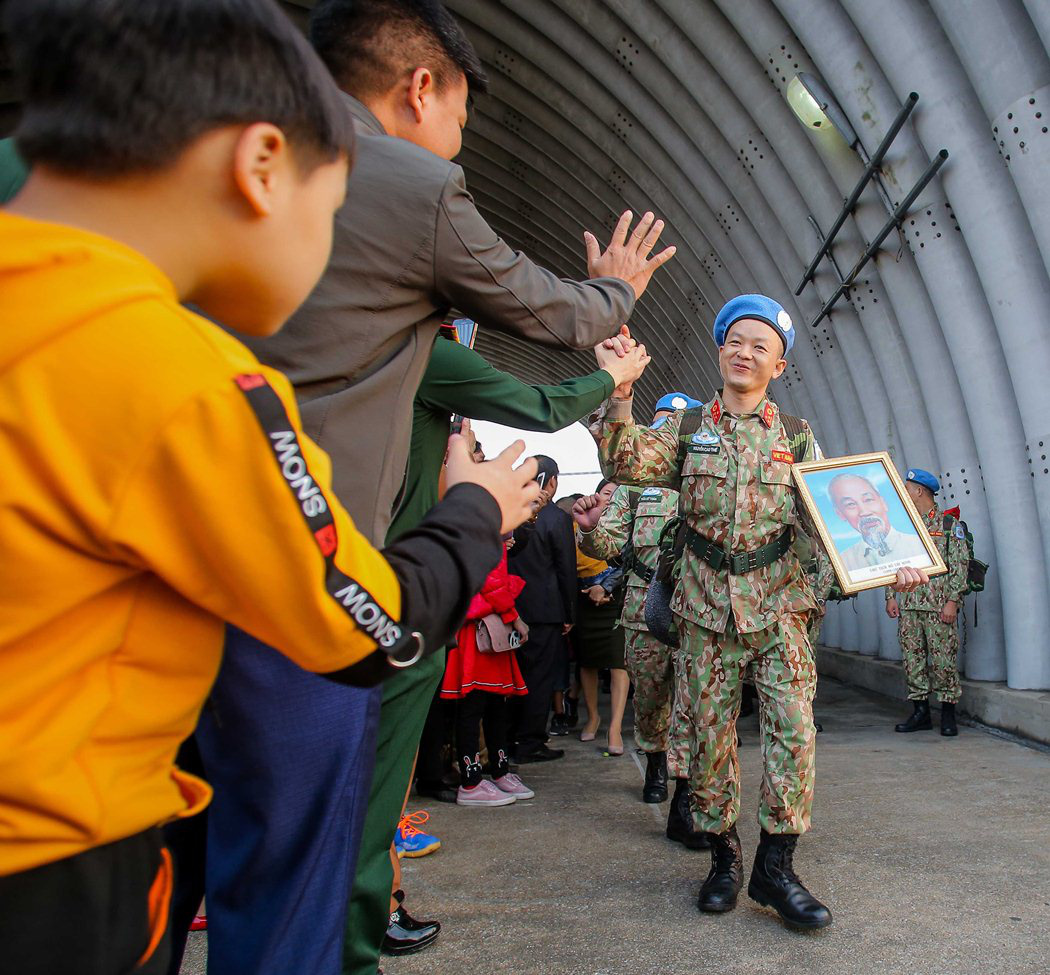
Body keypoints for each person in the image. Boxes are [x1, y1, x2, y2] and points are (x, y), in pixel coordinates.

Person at [0, 2, 540, 973]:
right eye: (328, 213)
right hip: (52, 878)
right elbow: (361, 623)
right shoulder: (191, 380)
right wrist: (476, 512)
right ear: (259, 166)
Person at [181, 0, 675, 969]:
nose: (456, 147)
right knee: (295, 894)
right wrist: (615, 294)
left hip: (162, 572)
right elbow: (543, 311)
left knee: (150, 870)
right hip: (313, 586)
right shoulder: (404, 182)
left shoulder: (206, 157)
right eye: (459, 120)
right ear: (421, 88)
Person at [592, 294, 928, 931]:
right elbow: (624, 460)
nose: (745, 353)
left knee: (794, 734)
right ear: (720, 350)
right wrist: (620, 394)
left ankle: (776, 867)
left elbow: (828, 520)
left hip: (778, 612)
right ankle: (723, 858)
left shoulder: (796, 437)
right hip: (704, 617)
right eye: (735, 342)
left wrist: (891, 561)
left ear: (779, 364)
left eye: (760, 347)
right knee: (712, 744)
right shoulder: (688, 432)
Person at [345, 332, 649, 975]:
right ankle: (361, 927)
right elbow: (537, 403)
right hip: (396, 605)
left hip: (385, 598)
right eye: (471, 448)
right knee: (369, 792)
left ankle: (374, 903)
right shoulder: (420, 350)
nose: (469, 455)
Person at [575, 393, 711, 848]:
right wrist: (592, 528)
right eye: (660, 422)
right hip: (643, 608)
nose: (666, 430)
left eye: (675, 421)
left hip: (698, 609)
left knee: (697, 703)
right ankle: (654, 760)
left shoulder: (704, 478)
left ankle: (686, 798)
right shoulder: (632, 489)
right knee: (652, 696)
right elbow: (607, 545)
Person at [442, 538, 533, 805]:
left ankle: (498, 771)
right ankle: (471, 783)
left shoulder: (488, 528)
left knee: (493, 704)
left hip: (485, 627)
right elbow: (491, 582)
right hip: (478, 630)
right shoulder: (485, 529)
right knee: (475, 706)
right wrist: (515, 617)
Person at [886, 469, 969, 736]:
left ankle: (947, 714)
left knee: (943, 661)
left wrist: (952, 602)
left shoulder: (948, 526)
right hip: (910, 605)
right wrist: (890, 596)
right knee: (913, 661)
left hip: (938, 605)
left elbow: (959, 566)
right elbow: (894, 564)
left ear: (919, 491)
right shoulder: (903, 526)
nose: (904, 493)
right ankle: (920, 713)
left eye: (907, 488)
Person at [509, 457, 580, 763]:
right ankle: (530, 742)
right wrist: (569, 613)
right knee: (539, 680)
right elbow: (566, 569)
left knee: (511, 678)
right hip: (546, 610)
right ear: (551, 481)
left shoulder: (509, 514)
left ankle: (506, 740)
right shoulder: (556, 518)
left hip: (510, 608)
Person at [572, 479, 630, 756]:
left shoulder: (630, 520)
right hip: (585, 594)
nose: (612, 498)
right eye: (608, 493)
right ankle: (593, 716)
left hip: (617, 597)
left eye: (618, 494)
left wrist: (605, 586)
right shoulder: (582, 520)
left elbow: (631, 558)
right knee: (588, 660)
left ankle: (615, 726)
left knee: (619, 662)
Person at [830, 473, 929, 575]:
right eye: (850, 504)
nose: (864, 512)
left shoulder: (921, 546)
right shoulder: (843, 563)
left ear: (883, 503)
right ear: (840, 514)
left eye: (868, 499)